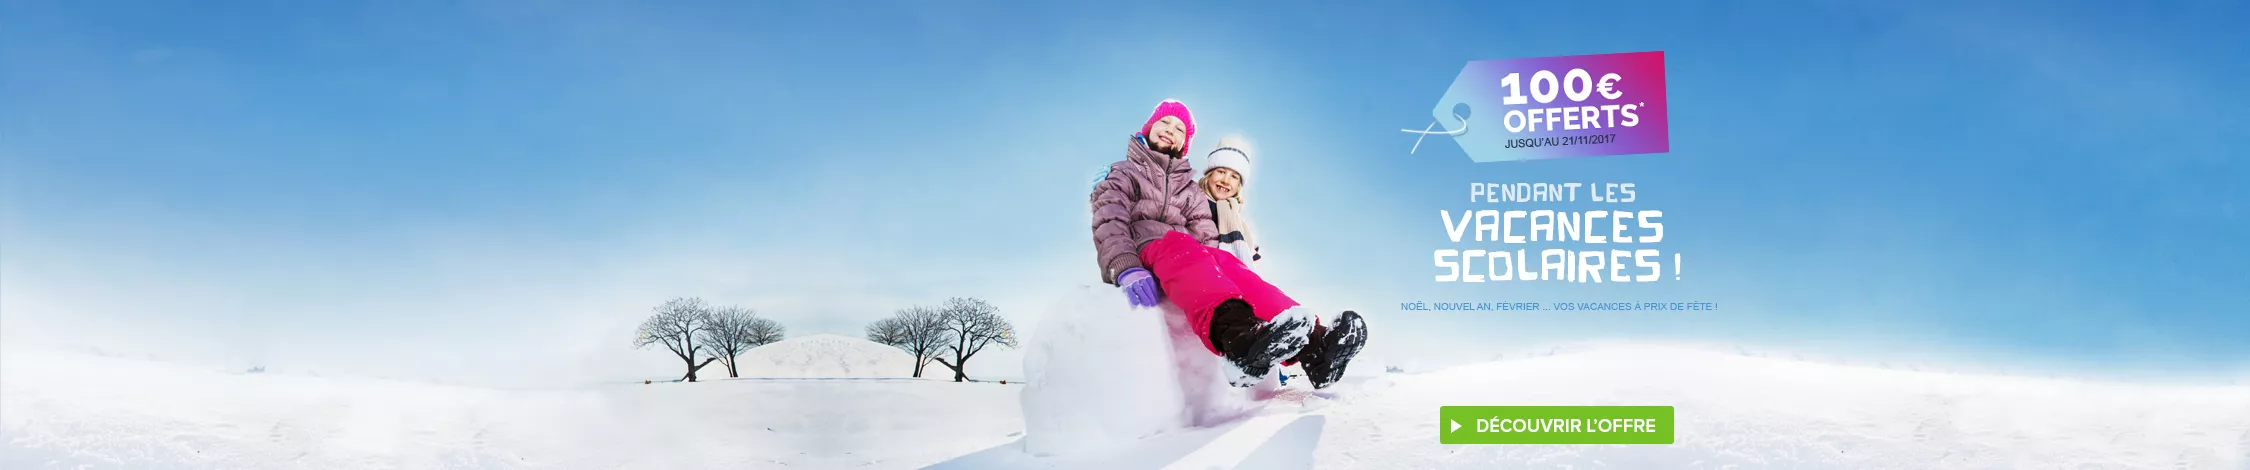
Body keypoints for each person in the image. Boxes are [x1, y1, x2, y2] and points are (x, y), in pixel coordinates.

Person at [1090, 100, 1366, 389]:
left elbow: (1206, 235)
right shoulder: (1123, 172)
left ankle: (1316, 348)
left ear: (1185, 143)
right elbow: (1110, 219)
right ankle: (1240, 341)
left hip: (1183, 254)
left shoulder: (1187, 187)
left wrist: (1216, 266)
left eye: (1179, 128)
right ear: (1149, 127)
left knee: (1230, 265)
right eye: (1164, 122)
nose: (1170, 130)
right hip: (1148, 248)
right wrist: (1125, 267)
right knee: (1180, 244)